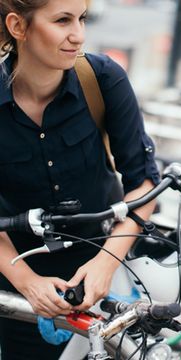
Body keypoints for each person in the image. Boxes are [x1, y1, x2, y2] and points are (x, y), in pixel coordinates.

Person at [0, 0, 160, 358]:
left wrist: (106, 263)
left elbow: (144, 185)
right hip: (20, 287)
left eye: (82, 18)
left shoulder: (102, 79)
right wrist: (28, 283)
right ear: (18, 26)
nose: (78, 35)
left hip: (111, 274)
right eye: (62, 20)